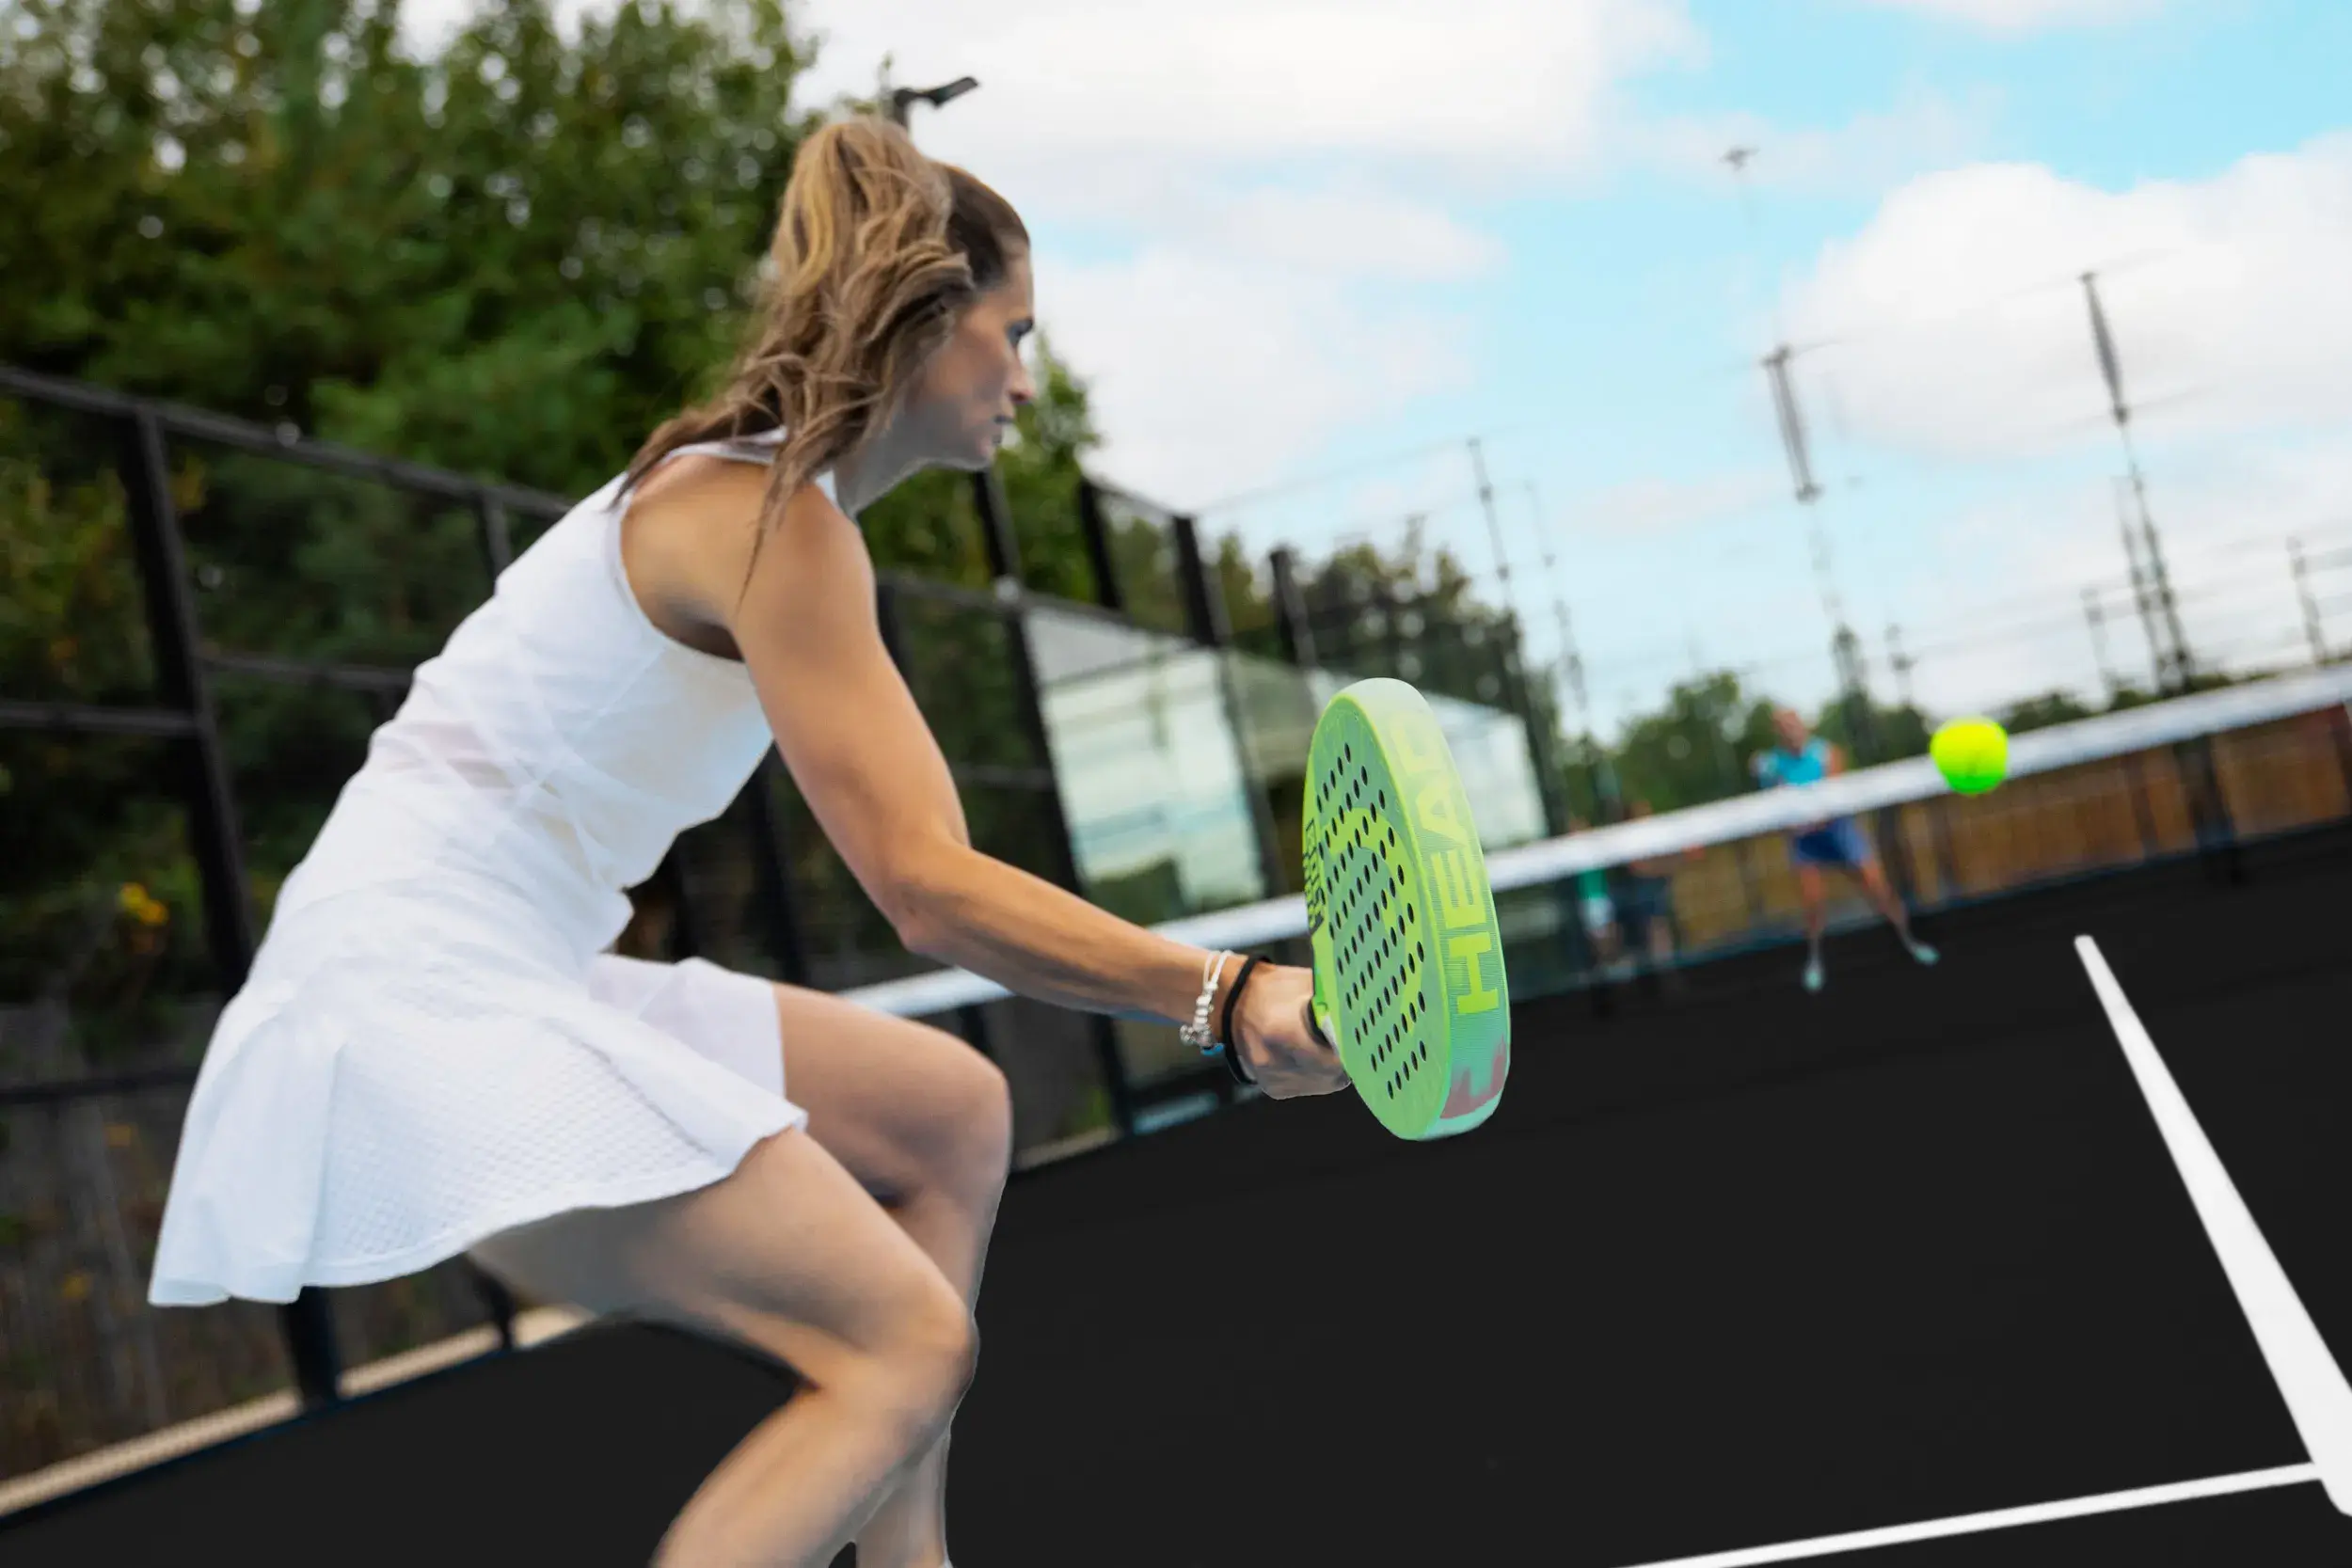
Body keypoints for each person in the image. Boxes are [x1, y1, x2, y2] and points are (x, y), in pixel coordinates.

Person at [146, 118, 1347, 1568]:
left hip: (473, 972)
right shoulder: (767, 519)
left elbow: (935, 860)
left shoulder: (777, 513)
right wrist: (1226, 992)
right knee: (905, 1342)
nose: (1026, 379)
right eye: (1015, 333)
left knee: (950, 1111)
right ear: (929, 321)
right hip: (416, 1000)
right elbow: (928, 888)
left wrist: (1218, 993)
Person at [1751, 705, 1937, 993]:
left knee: (1878, 888)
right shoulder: (1771, 763)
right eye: (1783, 726)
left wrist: (1808, 820)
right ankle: (1815, 960)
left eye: (1792, 723)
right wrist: (1789, 815)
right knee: (1813, 903)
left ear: (1802, 725)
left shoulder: (1827, 753)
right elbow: (1774, 801)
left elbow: (1832, 795)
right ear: (1777, 732)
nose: (1790, 730)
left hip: (1839, 831)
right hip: (1805, 842)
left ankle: (1909, 941)